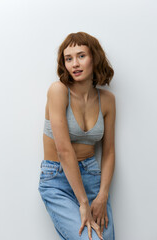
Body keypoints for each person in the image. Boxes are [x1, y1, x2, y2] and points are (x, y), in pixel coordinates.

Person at [38, 31, 116, 240]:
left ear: (95, 58)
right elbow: (63, 150)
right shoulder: (58, 91)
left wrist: (102, 195)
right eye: (68, 58)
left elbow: (108, 152)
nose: (75, 64)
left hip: (91, 177)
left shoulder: (107, 100)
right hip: (58, 179)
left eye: (81, 55)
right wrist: (84, 204)